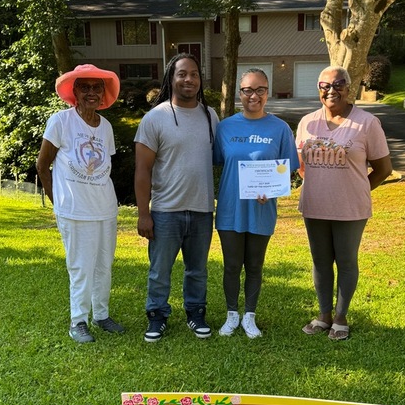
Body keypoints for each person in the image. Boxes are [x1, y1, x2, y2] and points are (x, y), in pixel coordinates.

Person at [295, 66, 392, 340]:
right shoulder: (307, 122)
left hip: (351, 208)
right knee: (320, 261)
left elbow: (384, 169)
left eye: (338, 84)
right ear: (318, 89)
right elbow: (300, 165)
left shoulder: (367, 123)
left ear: (349, 88)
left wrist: (357, 189)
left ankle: (340, 317)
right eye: (324, 85)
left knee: (346, 260)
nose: (331, 90)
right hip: (314, 206)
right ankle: (323, 315)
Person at [36, 64, 124, 343]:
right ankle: (78, 321)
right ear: (74, 91)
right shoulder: (61, 121)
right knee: (80, 267)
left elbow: (102, 165)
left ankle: (101, 315)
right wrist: (58, 202)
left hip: (105, 208)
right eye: (84, 87)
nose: (91, 93)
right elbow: (42, 166)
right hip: (74, 209)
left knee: (103, 265)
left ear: (103, 93)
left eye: (96, 88)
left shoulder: (106, 127)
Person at [134, 53, 219, 342]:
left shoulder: (210, 116)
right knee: (160, 271)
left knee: (198, 270)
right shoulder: (155, 118)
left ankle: (196, 313)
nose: (188, 79)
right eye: (182, 73)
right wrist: (143, 214)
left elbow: (224, 158)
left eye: (194, 74)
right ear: (171, 78)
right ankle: (157, 316)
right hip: (165, 211)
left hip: (202, 209)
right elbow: (142, 170)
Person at [214, 68, 299, 338]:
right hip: (230, 208)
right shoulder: (225, 127)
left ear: (267, 92)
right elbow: (218, 162)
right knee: (231, 265)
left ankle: (249, 315)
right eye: (248, 90)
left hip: (262, 209)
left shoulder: (280, 128)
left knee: (254, 265)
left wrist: (271, 188)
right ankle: (231, 314)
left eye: (260, 90)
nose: (254, 96)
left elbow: (287, 168)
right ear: (239, 93)